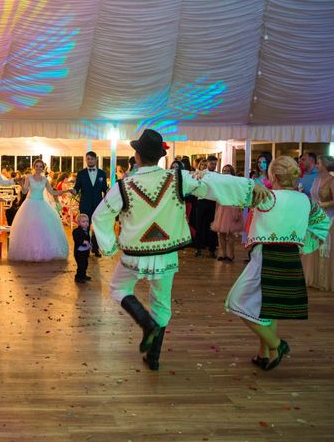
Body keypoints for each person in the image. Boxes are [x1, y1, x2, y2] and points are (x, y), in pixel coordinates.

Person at [92, 130, 267, 371]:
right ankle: (153, 357)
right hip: (166, 252)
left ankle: (145, 323)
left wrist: (110, 246)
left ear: (138, 156)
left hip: (135, 254)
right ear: (160, 157)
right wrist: (249, 188)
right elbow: (210, 183)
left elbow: (100, 216)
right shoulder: (179, 178)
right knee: (162, 303)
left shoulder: (125, 185)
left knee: (119, 288)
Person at [225, 156, 330, 371]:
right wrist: (300, 242)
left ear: (273, 176)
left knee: (236, 301)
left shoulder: (267, 198)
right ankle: (264, 354)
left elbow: (231, 190)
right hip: (290, 256)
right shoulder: (305, 200)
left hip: (266, 256)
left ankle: (276, 344)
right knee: (270, 307)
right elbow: (321, 223)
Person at [301, 155, 334, 292]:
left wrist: (321, 204)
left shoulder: (333, 181)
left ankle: (326, 280)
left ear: (324, 166)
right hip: (316, 217)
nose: (316, 165)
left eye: (318, 163)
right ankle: (315, 278)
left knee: (328, 249)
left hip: (329, 218)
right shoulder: (317, 179)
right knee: (315, 248)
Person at [8, 159, 70, 262]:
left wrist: (66, 190)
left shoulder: (45, 180)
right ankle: (30, 251)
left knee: (42, 228)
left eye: (40, 166)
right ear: (34, 167)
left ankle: (41, 251)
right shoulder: (29, 178)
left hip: (41, 204)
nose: (38, 168)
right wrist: (21, 184)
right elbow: (24, 191)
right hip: (30, 204)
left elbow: (52, 192)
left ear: (43, 168)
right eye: (36, 166)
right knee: (30, 228)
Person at [71, 151, 108, 257]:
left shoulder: (102, 173)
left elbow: (104, 189)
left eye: (92, 158)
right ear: (86, 160)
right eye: (88, 158)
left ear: (96, 160)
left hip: (98, 205)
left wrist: (109, 191)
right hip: (85, 204)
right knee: (84, 228)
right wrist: (72, 191)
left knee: (96, 227)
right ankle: (85, 248)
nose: (90, 160)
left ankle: (95, 249)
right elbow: (76, 188)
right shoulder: (81, 173)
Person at [211, 164, 244, 262]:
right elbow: (217, 198)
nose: (225, 172)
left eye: (227, 170)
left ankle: (231, 255)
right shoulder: (220, 184)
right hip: (222, 208)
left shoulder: (235, 183)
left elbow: (239, 197)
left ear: (232, 172)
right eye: (224, 170)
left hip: (232, 208)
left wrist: (238, 210)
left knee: (230, 233)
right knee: (221, 233)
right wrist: (216, 212)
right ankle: (223, 254)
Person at [194, 155, 219, 258]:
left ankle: (212, 249)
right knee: (199, 226)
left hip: (212, 202)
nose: (213, 165)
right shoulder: (202, 173)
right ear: (208, 163)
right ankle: (198, 249)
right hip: (201, 201)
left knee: (212, 227)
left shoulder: (217, 175)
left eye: (215, 164)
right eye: (211, 163)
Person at [72, 213, 92, 283]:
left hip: (85, 251)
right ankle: (78, 277)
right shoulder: (76, 231)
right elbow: (76, 239)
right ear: (78, 223)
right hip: (79, 252)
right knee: (81, 265)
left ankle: (83, 275)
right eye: (83, 222)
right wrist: (83, 241)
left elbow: (88, 240)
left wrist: (89, 245)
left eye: (87, 221)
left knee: (85, 264)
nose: (86, 223)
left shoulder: (87, 231)